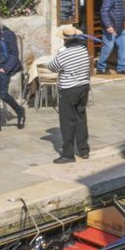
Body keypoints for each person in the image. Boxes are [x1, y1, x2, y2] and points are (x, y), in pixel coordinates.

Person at [49, 29, 93, 164]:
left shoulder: (64, 53)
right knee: (81, 118)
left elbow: (52, 67)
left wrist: (60, 53)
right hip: (83, 87)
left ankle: (68, 154)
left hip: (69, 89)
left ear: (65, 40)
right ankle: (84, 150)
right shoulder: (83, 50)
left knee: (67, 122)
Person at [95, 0, 125, 75]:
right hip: (111, 26)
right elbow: (104, 11)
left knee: (123, 46)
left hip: (120, 26)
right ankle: (100, 68)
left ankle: (121, 68)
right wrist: (108, 26)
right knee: (108, 46)